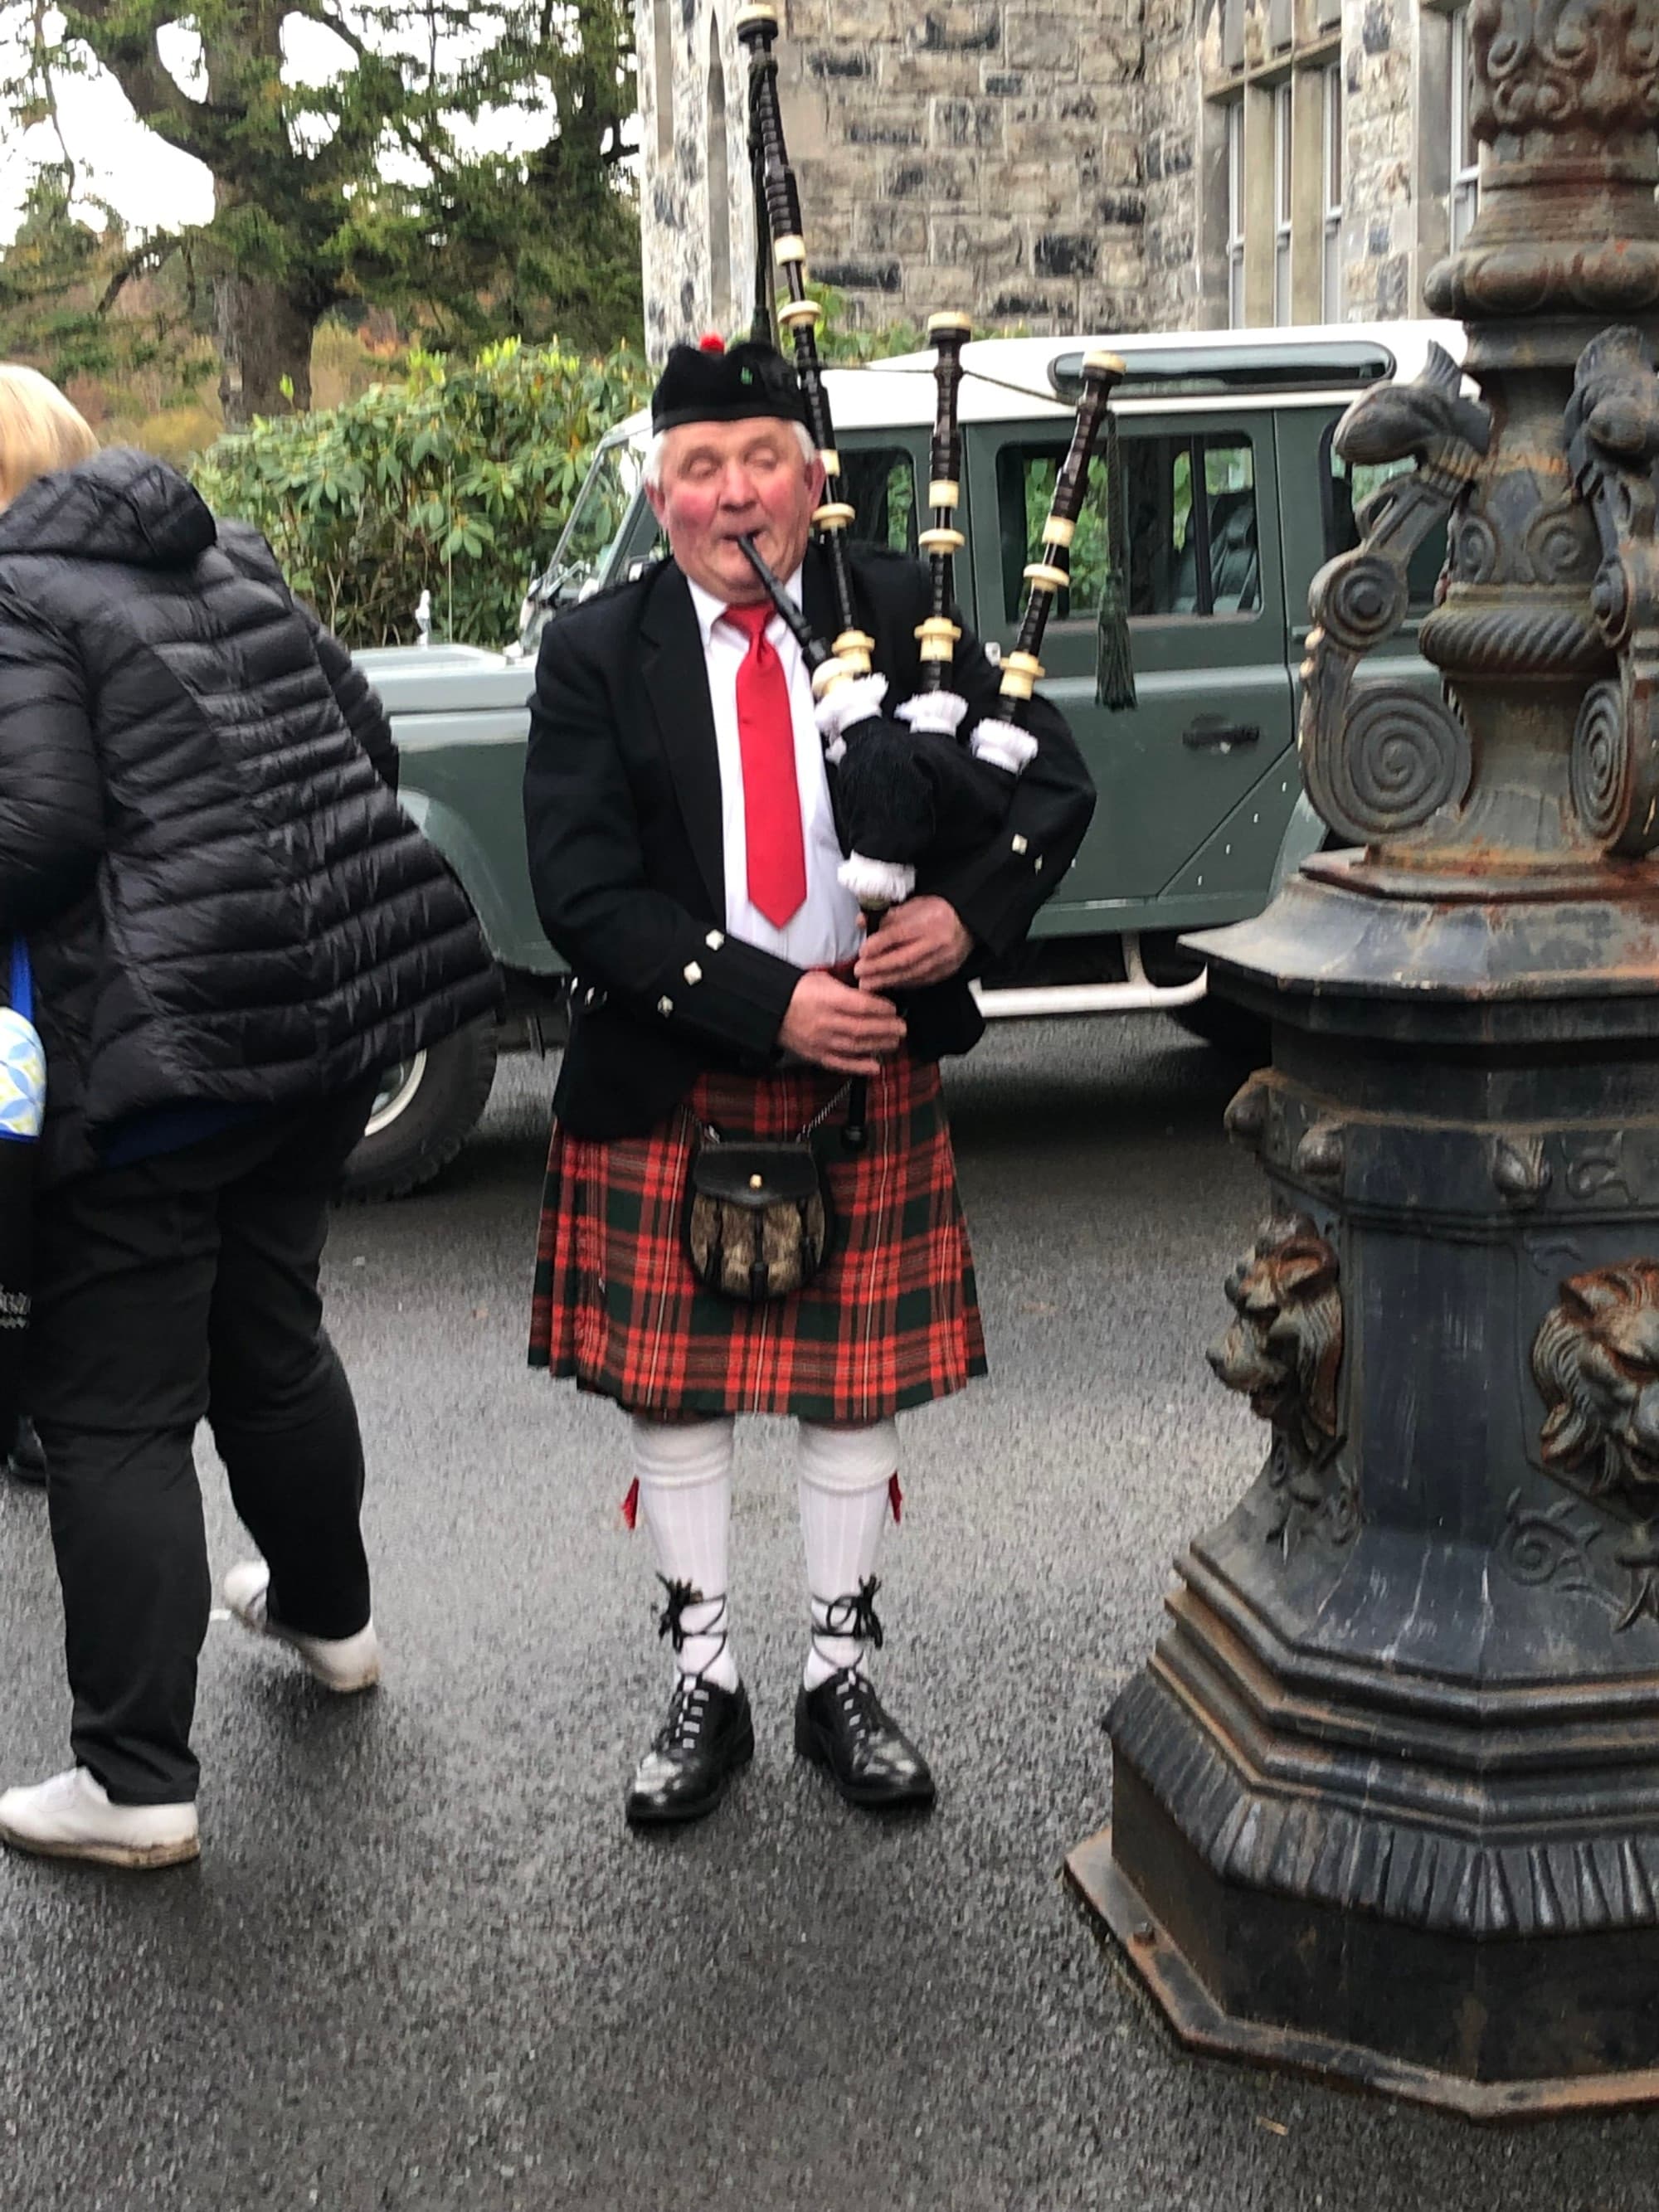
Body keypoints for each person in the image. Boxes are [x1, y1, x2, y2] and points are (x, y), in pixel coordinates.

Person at [524, 338, 1095, 1827]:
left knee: (851, 1399)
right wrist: (777, 1008)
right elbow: (582, 895)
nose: (732, 496)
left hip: (870, 1077)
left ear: (812, 479)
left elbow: (1049, 783)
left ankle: (838, 1668)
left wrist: (965, 916)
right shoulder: (599, 652)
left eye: (759, 460)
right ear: (661, 497)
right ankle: (704, 1671)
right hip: (683, 1070)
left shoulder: (902, 608)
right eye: (699, 469)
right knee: (681, 1395)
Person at [0, 365, 499, 1869]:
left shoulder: (17, 600)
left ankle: (135, 1780)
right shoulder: (232, 557)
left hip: (161, 1058)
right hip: (320, 1029)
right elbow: (371, 744)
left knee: (112, 1409)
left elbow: (38, 834)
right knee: (269, 1339)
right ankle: (329, 1619)